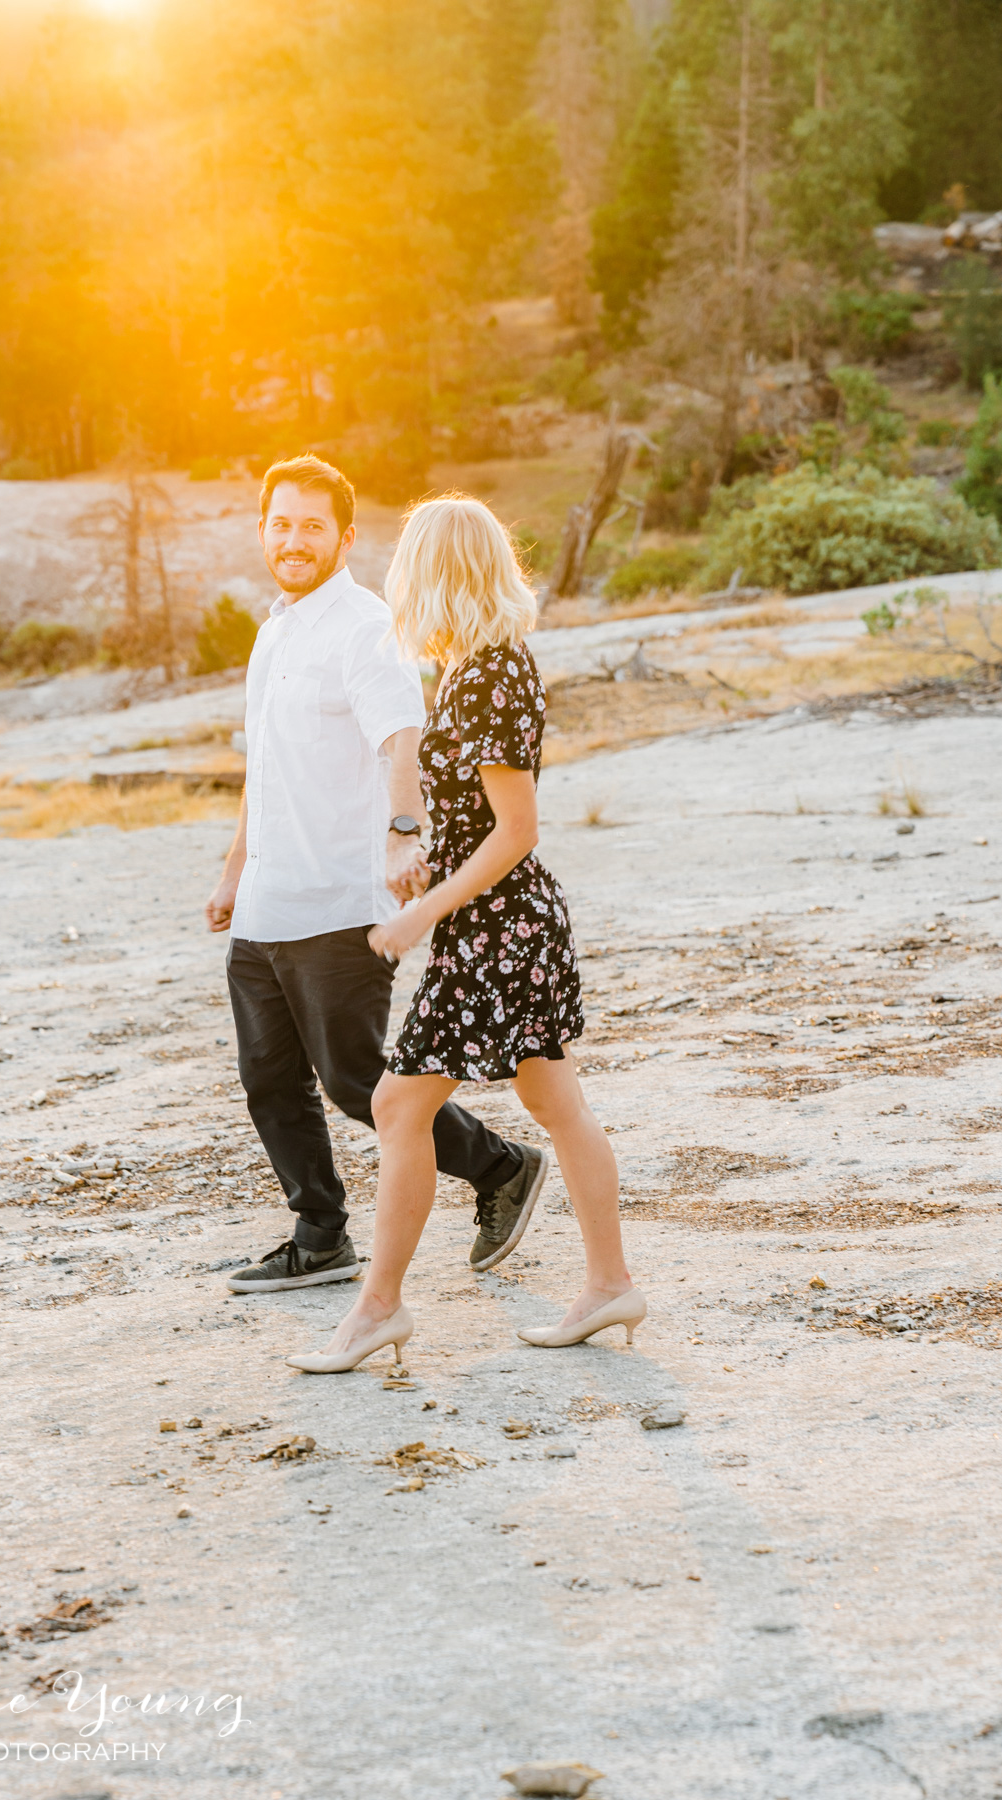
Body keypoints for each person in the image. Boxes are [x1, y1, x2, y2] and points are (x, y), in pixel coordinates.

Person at [285, 494, 646, 1373]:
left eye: (411, 559)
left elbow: (518, 830)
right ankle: (608, 1285)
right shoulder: (473, 665)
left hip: (501, 930)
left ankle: (376, 1310)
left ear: (437, 570)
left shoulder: (494, 671)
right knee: (551, 1102)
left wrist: (422, 908)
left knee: (396, 1102)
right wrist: (424, 862)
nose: (399, 575)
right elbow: (480, 821)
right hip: (491, 922)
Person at [205, 456, 548, 1295]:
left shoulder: (366, 626)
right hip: (266, 902)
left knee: (359, 1081)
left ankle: (501, 1168)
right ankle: (318, 1233)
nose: (293, 540)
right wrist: (232, 871)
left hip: (339, 899)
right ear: (262, 532)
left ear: (345, 537)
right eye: (280, 524)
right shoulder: (273, 627)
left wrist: (402, 834)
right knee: (267, 1081)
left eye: (311, 526)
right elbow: (264, 770)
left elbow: (403, 737)